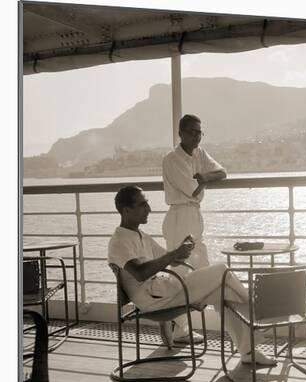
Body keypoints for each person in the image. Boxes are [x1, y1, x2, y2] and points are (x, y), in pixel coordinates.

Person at [107, 185, 276, 366]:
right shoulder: (119, 241)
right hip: (152, 299)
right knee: (221, 271)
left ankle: (248, 351)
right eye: (142, 204)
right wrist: (172, 255)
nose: (149, 209)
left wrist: (181, 252)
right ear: (126, 210)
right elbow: (140, 273)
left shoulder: (141, 235)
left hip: (164, 290)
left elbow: (170, 260)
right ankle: (260, 314)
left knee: (224, 292)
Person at [162, 114, 226, 270]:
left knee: (202, 266)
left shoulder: (200, 153)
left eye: (199, 132)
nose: (196, 136)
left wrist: (204, 177)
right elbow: (194, 191)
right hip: (180, 217)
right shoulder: (172, 159)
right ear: (180, 133)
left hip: (194, 216)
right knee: (180, 270)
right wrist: (205, 181)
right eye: (192, 132)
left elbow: (222, 172)